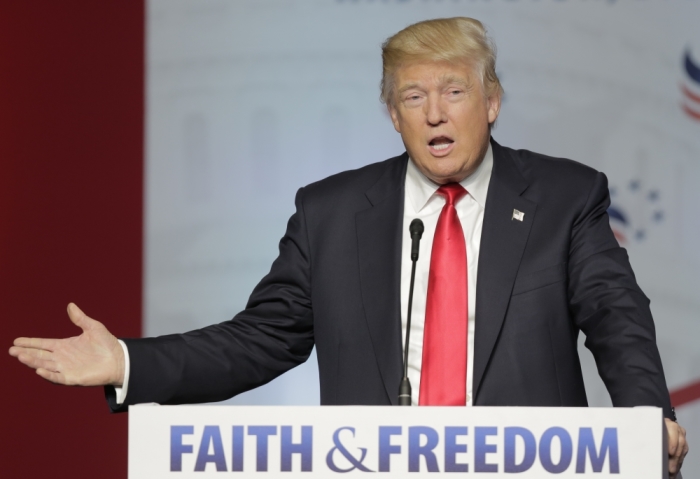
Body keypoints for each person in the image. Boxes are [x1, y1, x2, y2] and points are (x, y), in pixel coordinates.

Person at [9, 17, 688, 476]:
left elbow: (615, 317)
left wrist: (644, 421)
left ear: (493, 102)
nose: (434, 113)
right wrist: (128, 359)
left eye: (454, 91)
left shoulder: (565, 198)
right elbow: (260, 339)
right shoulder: (330, 213)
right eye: (413, 96)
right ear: (391, 114)